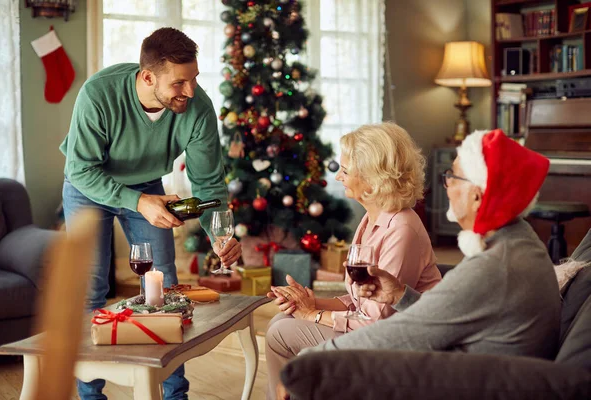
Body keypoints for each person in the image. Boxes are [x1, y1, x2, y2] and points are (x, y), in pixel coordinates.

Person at [276, 129, 561, 398]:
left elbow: (401, 334)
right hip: (477, 370)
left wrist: (308, 362)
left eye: (453, 176)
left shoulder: (493, 267)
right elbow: (442, 316)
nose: (446, 184)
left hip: (463, 383)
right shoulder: (518, 241)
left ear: (476, 197)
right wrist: (400, 295)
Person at [60, 27, 241, 400]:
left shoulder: (197, 108)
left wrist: (220, 233)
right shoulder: (99, 94)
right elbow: (80, 170)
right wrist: (139, 202)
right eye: (179, 83)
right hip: (88, 186)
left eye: (194, 79)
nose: (189, 92)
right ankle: (90, 395)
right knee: (90, 290)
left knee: (163, 291)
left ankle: (174, 395)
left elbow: (209, 184)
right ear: (147, 77)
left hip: (146, 186)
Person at [265, 122, 442, 399]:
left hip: (397, 342)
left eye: (345, 171)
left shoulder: (402, 229)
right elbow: (359, 301)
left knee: (281, 332)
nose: (339, 178)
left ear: (373, 177)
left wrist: (313, 315)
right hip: (377, 328)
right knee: (281, 318)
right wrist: (310, 303)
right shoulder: (372, 218)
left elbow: (377, 318)